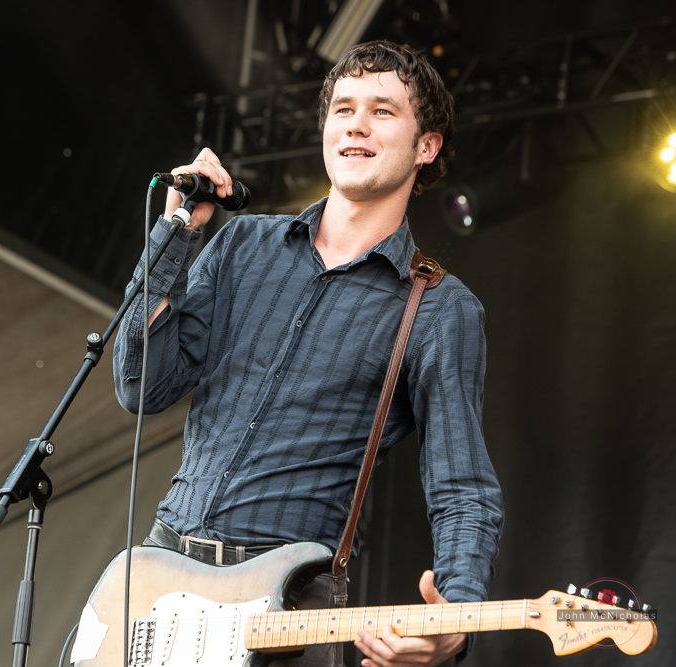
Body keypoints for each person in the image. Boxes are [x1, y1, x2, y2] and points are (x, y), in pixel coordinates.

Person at [113, 40, 503, 667]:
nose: (356, 123)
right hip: (156, 583)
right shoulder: (242, 243)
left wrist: (455, 619)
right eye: (343, 108)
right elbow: (142, 386)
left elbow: (463, 489)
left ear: (426, 146)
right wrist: (174, 234)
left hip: (285, 610)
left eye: (382, 111)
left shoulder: (438, 307)